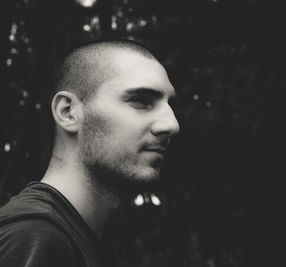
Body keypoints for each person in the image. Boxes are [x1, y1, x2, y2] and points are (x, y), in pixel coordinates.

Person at [0, 40, 180, 266]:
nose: (171, 125)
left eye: (169, 105)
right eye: (141, 101)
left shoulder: (76, 240)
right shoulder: (32, 238)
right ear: (68, 112)